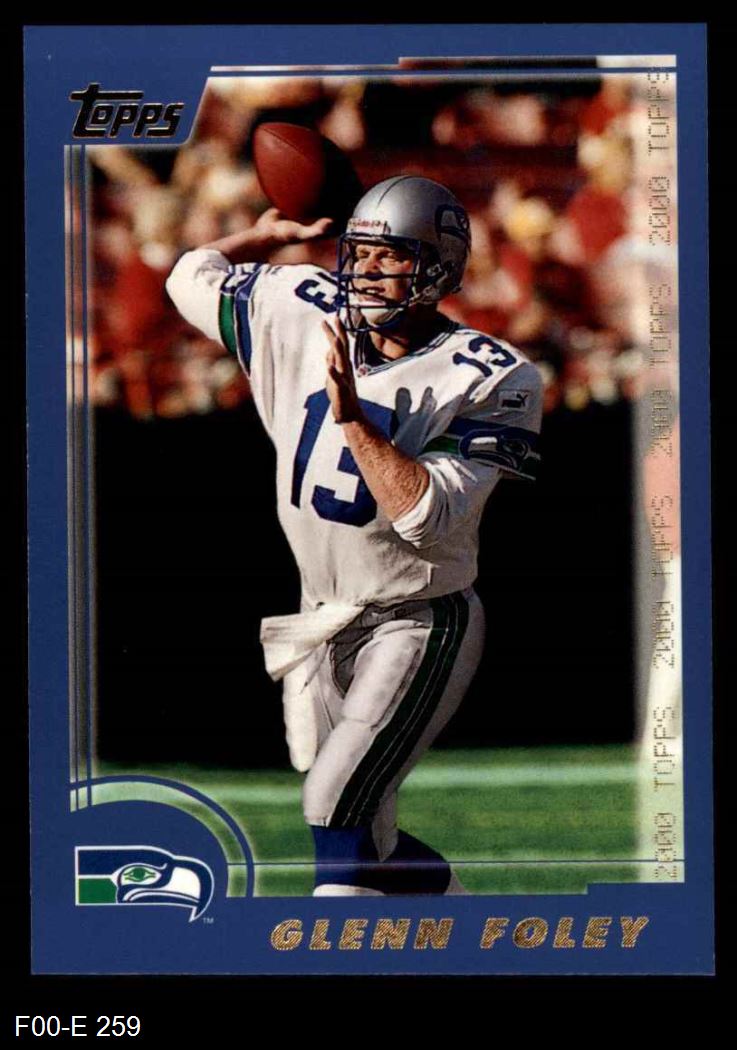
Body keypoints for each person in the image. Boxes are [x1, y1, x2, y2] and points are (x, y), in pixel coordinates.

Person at [166, 175, 542, 896]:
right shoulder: (299, 304)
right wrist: (261, 237)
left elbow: (425, 515)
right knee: (371, 840)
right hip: (323, 613)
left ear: (439, 268)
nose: (365, 270)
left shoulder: (494, 375)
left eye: (389, 255)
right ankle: (480, 938)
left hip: (417, 617)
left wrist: (352, 419)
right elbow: (190, 276)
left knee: (333, 805)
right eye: (358, 252)